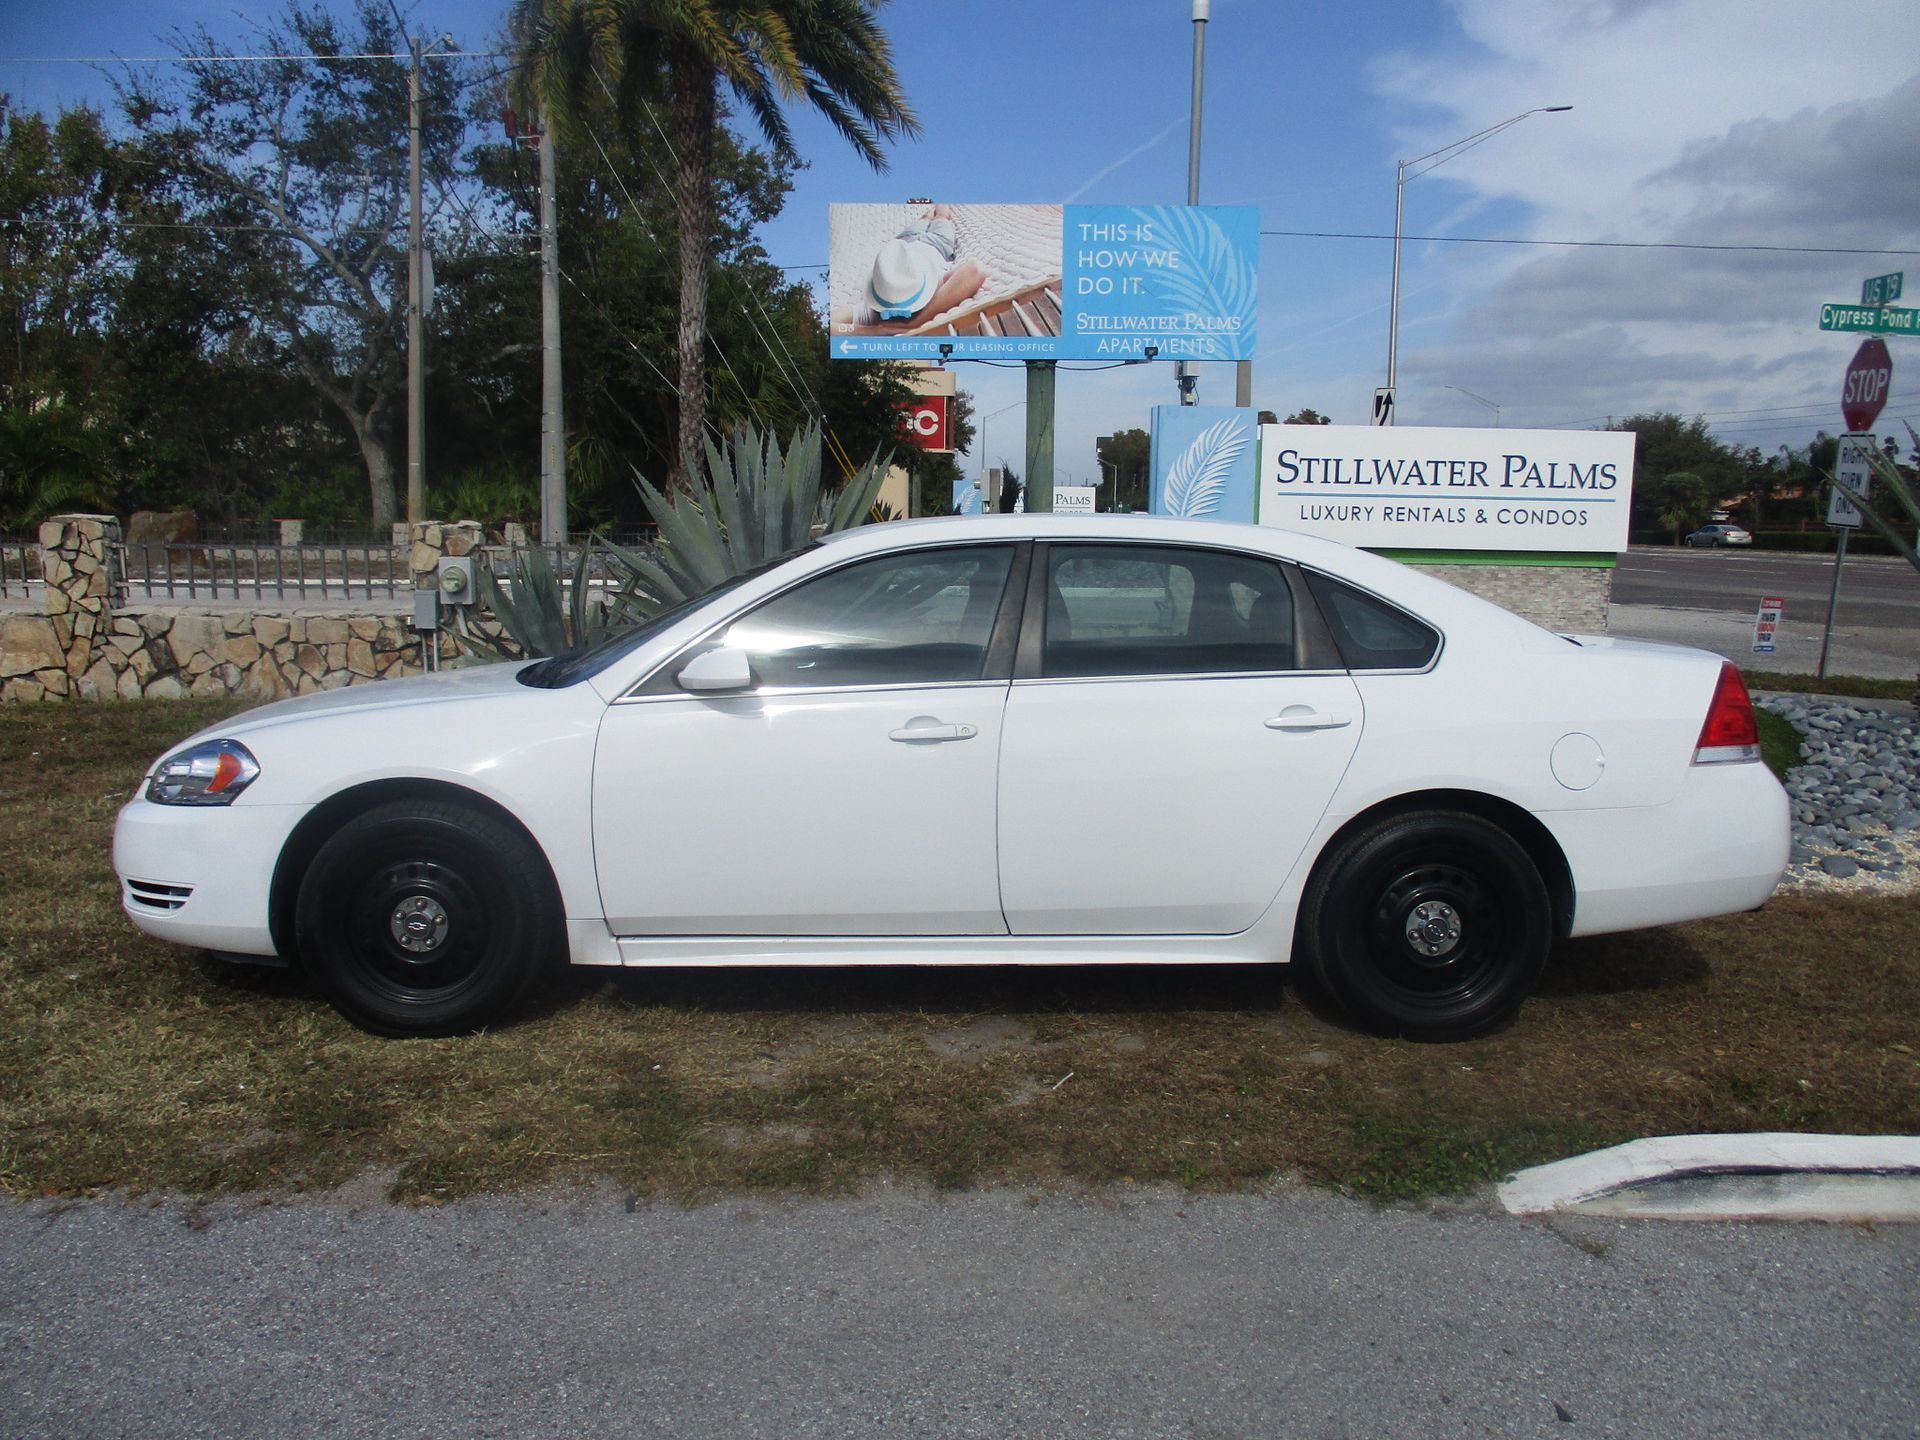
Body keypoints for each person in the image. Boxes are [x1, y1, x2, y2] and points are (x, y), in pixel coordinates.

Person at [844, 204, 985, 333]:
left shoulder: (874, 309)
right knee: (942, 216)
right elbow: (975, 270)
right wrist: (917, 321)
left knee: (924, 216)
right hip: (937, 244)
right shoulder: (935, 289)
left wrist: (877, 331)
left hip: (903, 244)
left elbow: (833, 325)